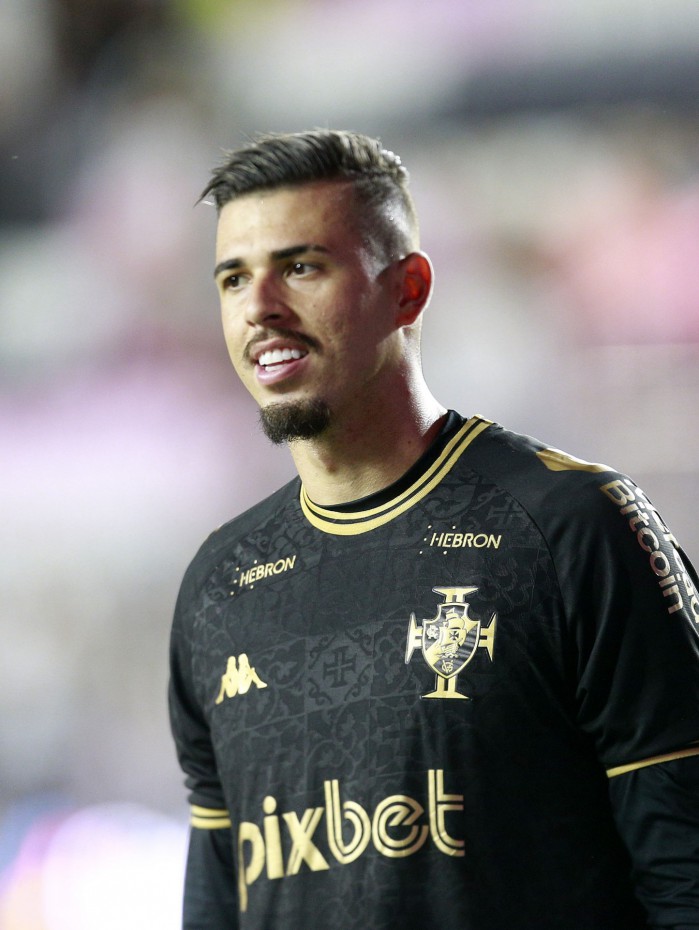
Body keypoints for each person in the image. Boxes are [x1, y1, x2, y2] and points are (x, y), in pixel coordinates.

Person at [168, 129, 699, 930]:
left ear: (407, 289)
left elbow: (686, 873)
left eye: (301, 266)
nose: (260, 308)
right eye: (233, 278)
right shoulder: (219, 583)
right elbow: (217, 901)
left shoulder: (571, 529)